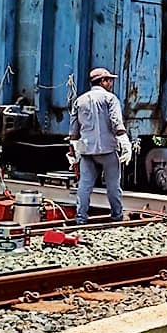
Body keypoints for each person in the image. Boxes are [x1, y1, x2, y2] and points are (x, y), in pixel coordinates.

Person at [69, 67, 132, 224]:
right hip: (107, 149)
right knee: (113, 185)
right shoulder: (110, 99)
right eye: (109, 80)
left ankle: (81, 218)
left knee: (84, 185)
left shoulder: (79, 101)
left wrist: (74, 151)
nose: (111, 83)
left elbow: (73, 130)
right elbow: (116, 122)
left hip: (86, 150)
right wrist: (125, 142)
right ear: (102, 81)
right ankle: (117, 215)